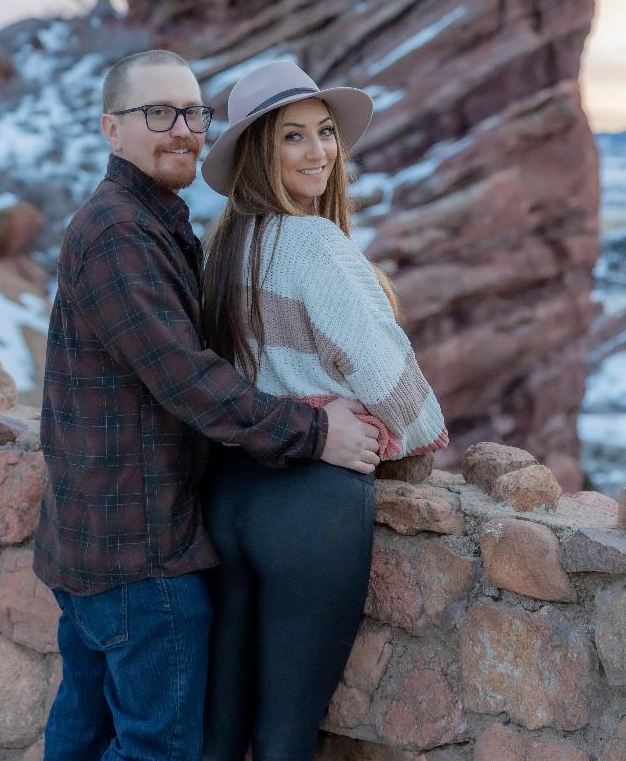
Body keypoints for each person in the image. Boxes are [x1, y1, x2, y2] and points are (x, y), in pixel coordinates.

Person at [33, 49, 380, 761]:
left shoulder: (152, 221)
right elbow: (186, 378)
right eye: (157, 113)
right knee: (158, 749)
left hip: (96, 545)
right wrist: (313, 432)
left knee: (83, 732)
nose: (181, 129)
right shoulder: (119, 233)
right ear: (111, 128)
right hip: (140, 556)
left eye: (192, 113)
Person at [199, 59, 449, 761]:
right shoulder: (312, 242)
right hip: (309, 507)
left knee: (216, 736)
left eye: (324, 133)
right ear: (258, 151)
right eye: (291, 138)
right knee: (284, 738)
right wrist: (415, 436)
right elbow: (387, 378)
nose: (317, 153)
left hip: (230, 493)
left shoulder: (224, 247)